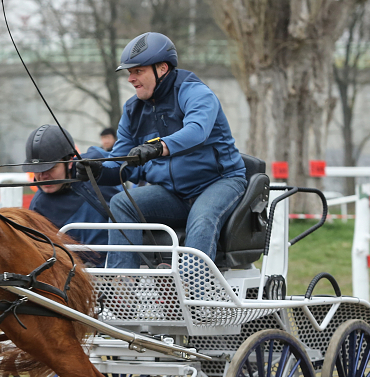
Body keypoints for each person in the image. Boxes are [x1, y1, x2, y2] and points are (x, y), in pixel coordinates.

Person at [78, 32, 247, 269]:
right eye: (129, 72)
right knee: (121, 203)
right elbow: (121, 165)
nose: (131, 79)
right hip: (173, 194)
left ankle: (190, 291)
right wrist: (96, 172)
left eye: (138, 71)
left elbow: (197, 131)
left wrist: (158, 147)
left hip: (218, 182)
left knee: (201, 219)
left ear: (163, 68)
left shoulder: (195, 93)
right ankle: (122, 288)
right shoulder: (132, 110)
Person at [22, 124, 121, 267]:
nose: (42, 176)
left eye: (50, 168)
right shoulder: (38, 207)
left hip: (126, 269)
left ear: (69, 162)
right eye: (36, 170)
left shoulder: (98, 165)